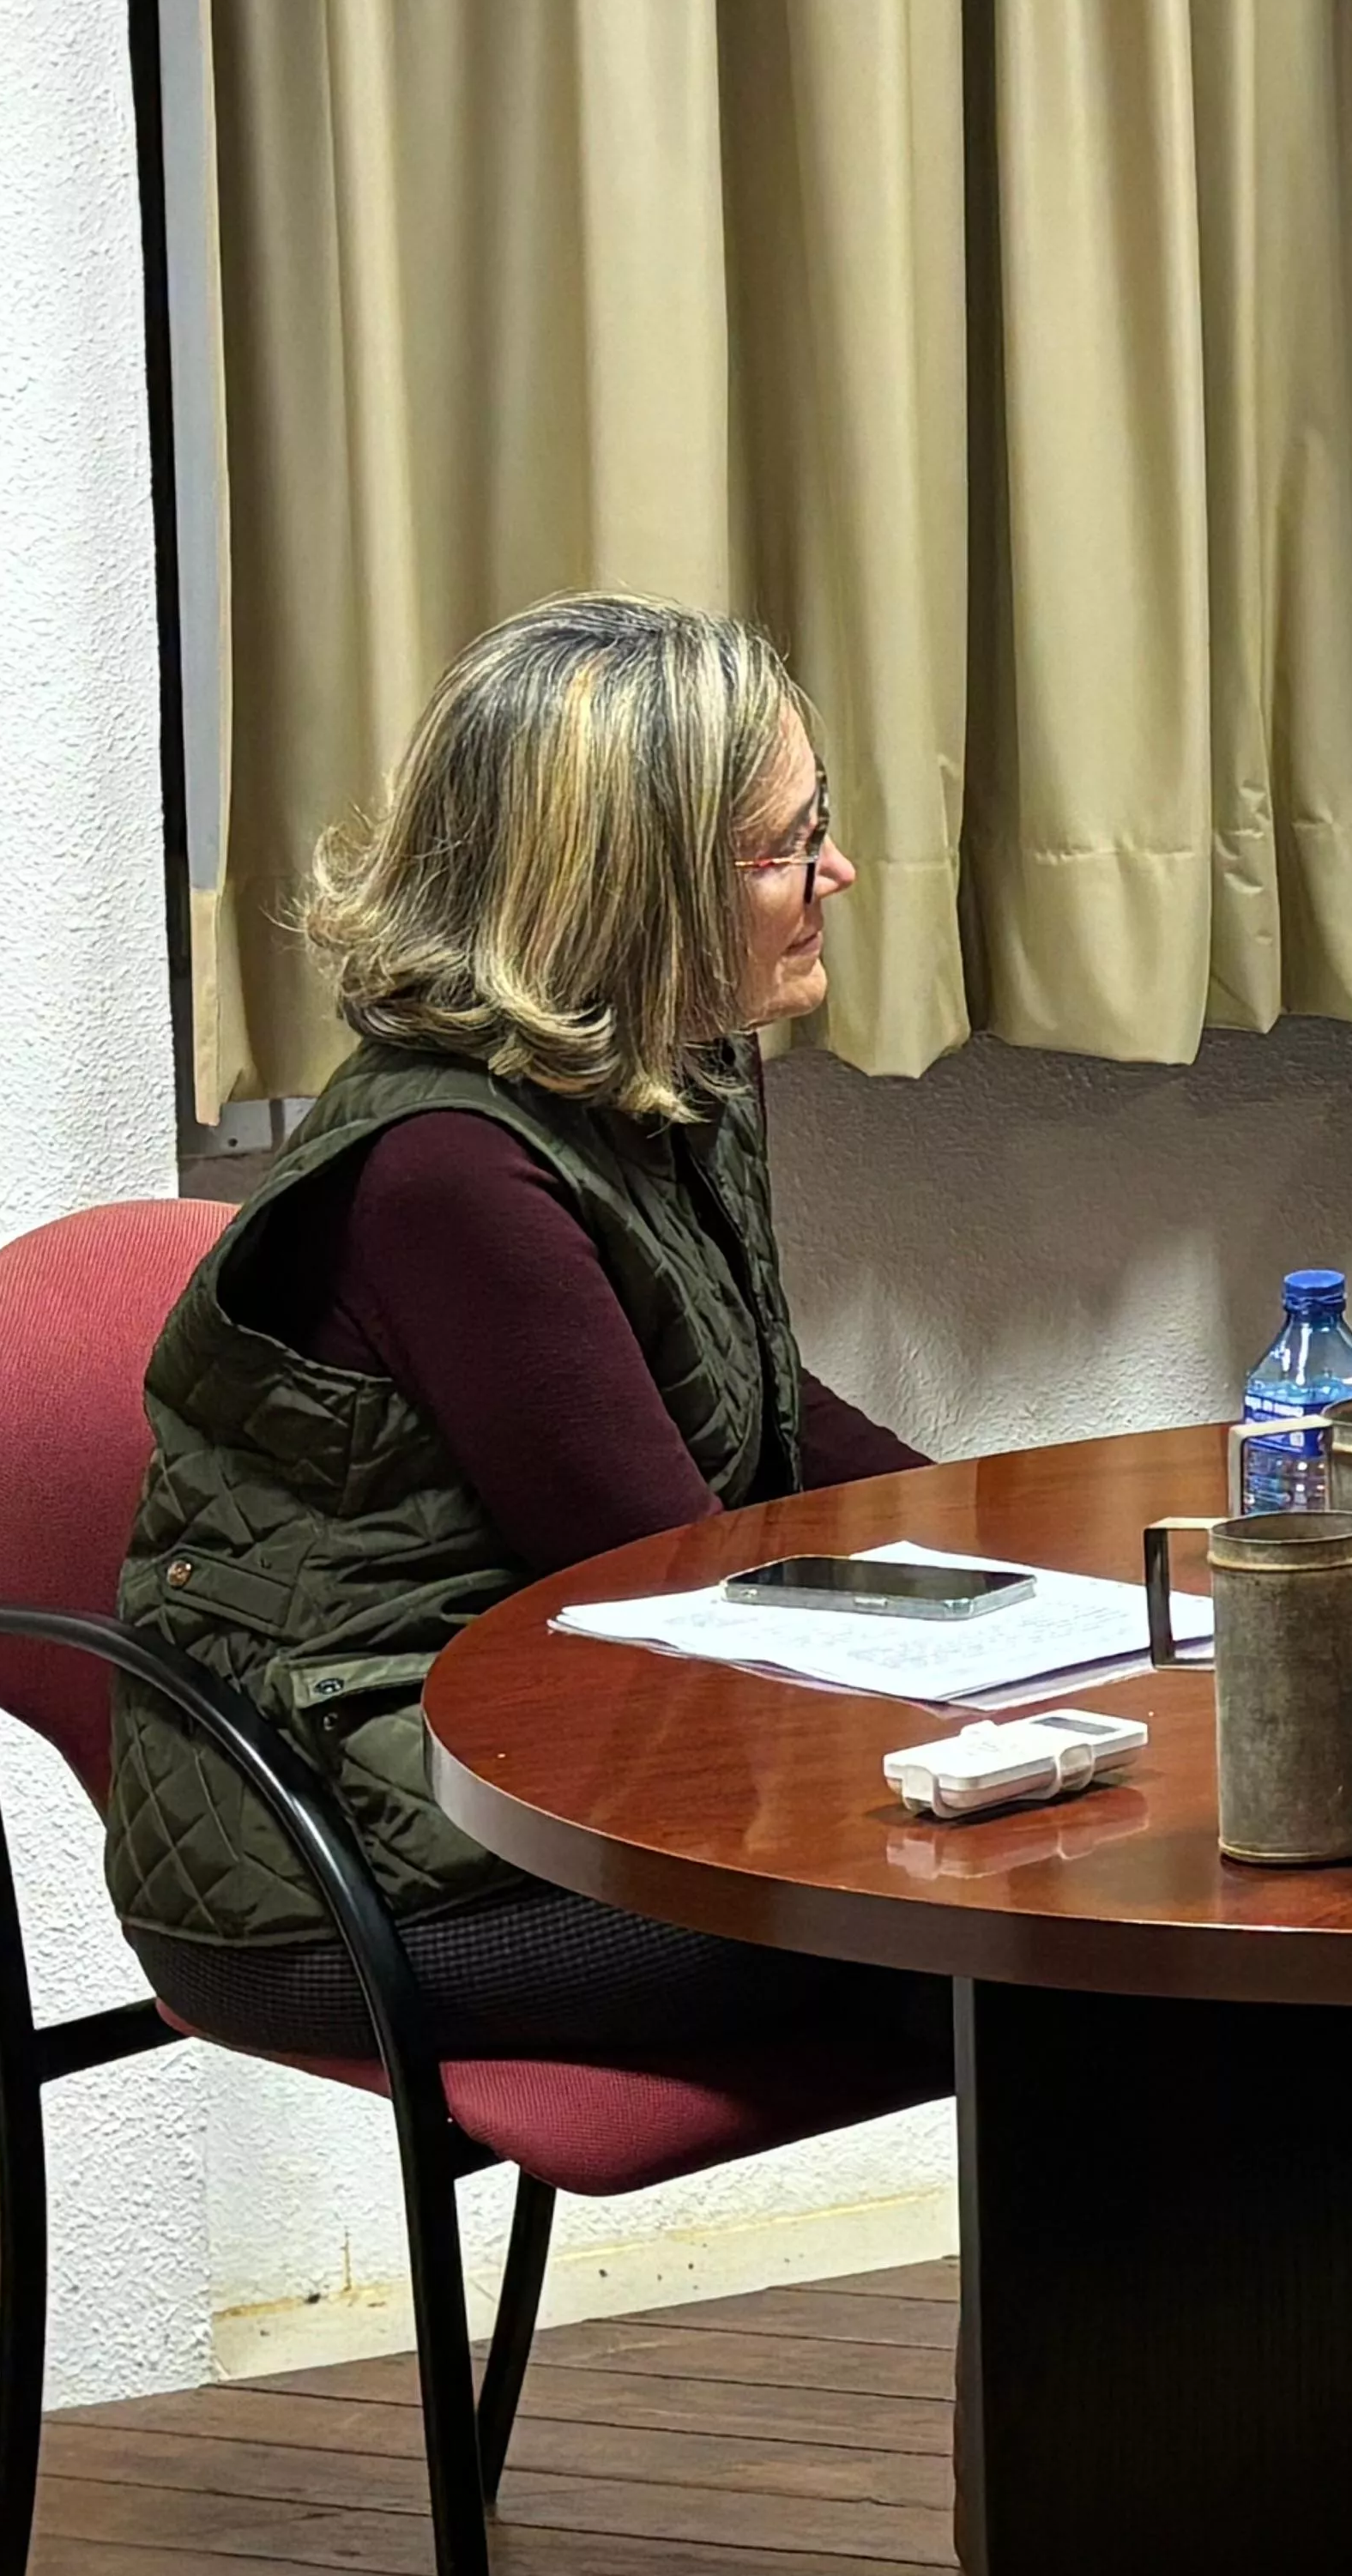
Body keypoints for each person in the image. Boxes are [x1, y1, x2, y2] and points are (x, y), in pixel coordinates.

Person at [111, 595, 944, 2071]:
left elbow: (757, 1401)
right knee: (1039, 1936)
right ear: (634, 887)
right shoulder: (449, 1170)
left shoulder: (670, 1063)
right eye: (785, 844)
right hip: (349, 1863)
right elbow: (671, 1575)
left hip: (529, 1763)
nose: (840, 871)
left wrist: (1010, 1548)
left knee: (1095, 1880)